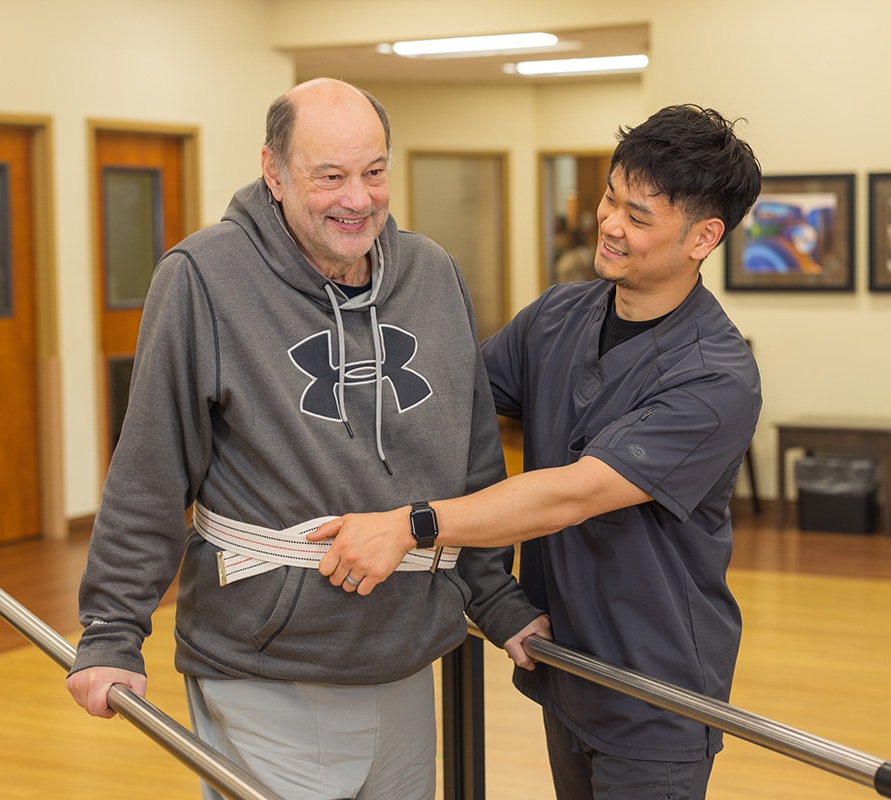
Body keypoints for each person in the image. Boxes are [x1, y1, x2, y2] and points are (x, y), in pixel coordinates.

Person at [66, 77, 545, 800]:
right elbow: (150, 472)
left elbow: (472, 457)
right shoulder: (203, 279)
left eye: (374, 172)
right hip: (270, 660)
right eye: (330, 177)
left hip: (408, 652)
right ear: (274, 172)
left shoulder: (432, 274)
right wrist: (111, 629)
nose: (358, 199)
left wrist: (497, 599)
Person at [311, 104, 763, 800]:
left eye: (639, 217)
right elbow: (444, 405)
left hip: (655, 689)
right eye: (611, 197)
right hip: (563, 662)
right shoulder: (559, 316)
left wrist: (409, 525)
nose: (609, 224)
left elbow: (570, 495)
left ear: (704, 236)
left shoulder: (714, 376)